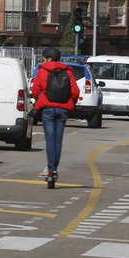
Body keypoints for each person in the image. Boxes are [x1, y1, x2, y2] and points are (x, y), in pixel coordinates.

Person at [30, 46, 80, 181]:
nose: (43, 61)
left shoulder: (42, 71)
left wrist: (39, 98)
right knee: (58, 140)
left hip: (47, 109)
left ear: (48, 58)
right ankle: (53, 169)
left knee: (49, 140)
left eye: (44, 58)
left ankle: (51, 169)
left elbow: (35, 91)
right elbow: (75, 92)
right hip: (63, 109)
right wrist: (71, 103)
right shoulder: (68, 72)